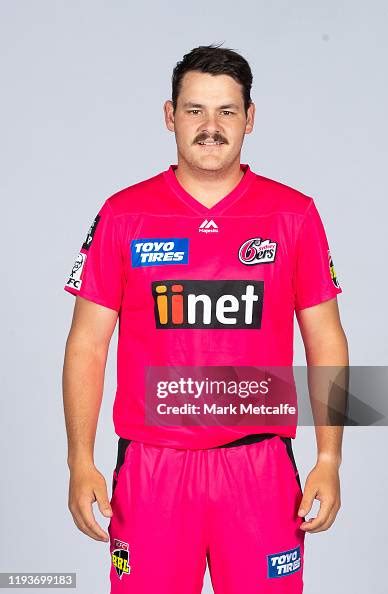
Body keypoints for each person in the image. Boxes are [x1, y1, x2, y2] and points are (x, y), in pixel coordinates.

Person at [62, 43, 348, 594]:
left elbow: (326, 340)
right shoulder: (125, 214)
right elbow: (86, 345)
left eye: (226, 111)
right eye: (194, 110)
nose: (210, 126)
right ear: (170, 116)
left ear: (250, 118)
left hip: (260, 467)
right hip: (153, 468)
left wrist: (331, 457)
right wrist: (80, 459)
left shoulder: (294, 214)